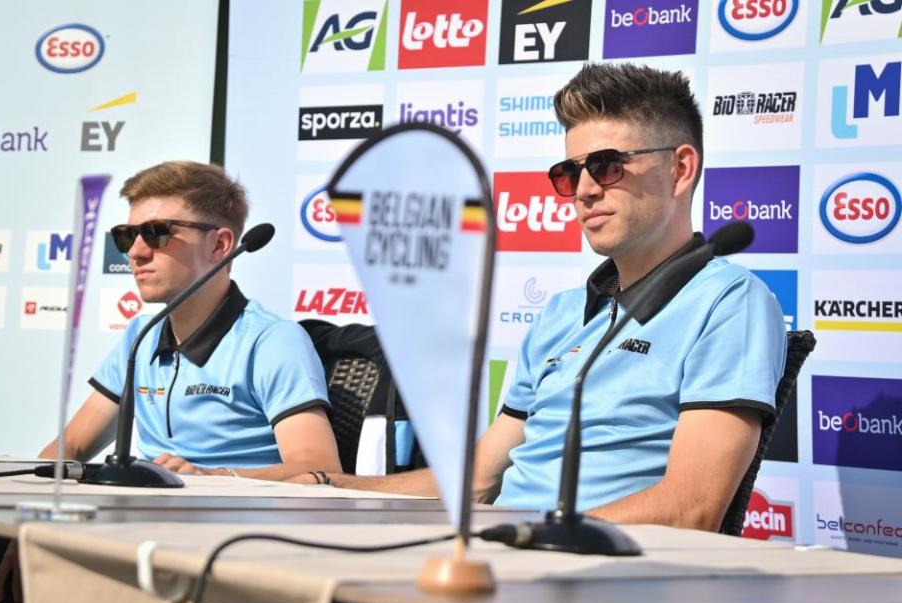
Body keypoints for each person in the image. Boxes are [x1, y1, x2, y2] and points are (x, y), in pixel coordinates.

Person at [291, 63, 786, 533]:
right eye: (571, 174)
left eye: (608, 165)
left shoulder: (730, 302)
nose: (585, 191)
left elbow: (690, 508)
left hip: (593, 586)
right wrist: (330, 486)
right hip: (503, 553)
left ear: (680, 169)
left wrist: (525, 535)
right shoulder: (563, 312)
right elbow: (477, 482)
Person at [0, 160, 342, 603]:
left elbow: (320, 468)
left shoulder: (272, 340)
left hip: (213, 553)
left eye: (156, 232)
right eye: (125, 235)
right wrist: (27, 526)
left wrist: (215, 477)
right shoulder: (141, 333)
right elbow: (69, 447)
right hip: (123, 536)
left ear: (220, 244)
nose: (134, 252)